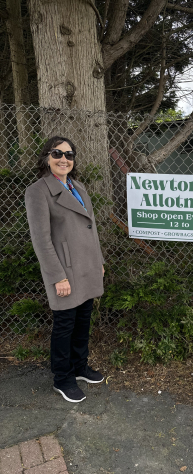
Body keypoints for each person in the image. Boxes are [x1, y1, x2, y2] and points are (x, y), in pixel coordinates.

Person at [25, 136, 105, 403]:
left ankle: (79, 368)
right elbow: (41, 239)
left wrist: (99, 262)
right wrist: (57, 276)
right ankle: (63, 378)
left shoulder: (78, 187)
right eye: (57, 153)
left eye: (69, 155)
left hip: (87, 267)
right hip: (64, 271)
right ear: (47, 157)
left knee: (83, 322)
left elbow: (90, 229)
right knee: (64, 326)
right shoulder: (38, 191)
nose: (64, 159)